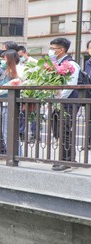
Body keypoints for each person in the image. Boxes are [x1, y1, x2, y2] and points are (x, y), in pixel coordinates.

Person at [49, 37, 79, 170]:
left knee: (65, 130)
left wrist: (59, 100)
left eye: (52, 49)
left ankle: (68, 160)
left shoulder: (71, 64)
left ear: (61, 50)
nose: (50, 51)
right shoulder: (57, 64)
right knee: (58, 130)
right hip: (59, 102)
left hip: (68, 102)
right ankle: (65, 158)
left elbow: (70, 85)